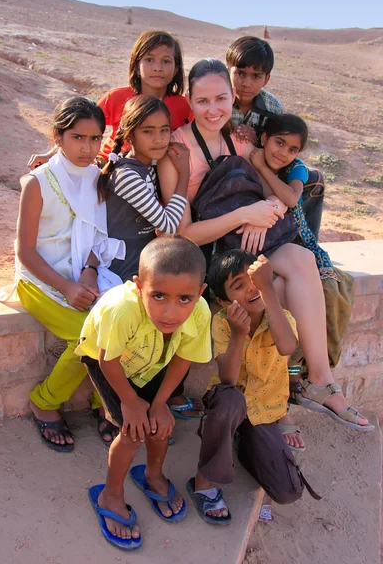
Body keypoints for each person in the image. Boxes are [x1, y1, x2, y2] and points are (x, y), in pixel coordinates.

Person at [158, 58, 372, 444]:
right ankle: (283, 400)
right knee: (273, 292)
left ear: (232, 97)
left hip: (255, 239)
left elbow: (274, 190)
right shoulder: (176, 150)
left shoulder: (241, 140)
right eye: (203, 100)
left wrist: (264, 214)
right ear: (189, 99)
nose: (213, 109)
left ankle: (319, 380)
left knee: (301, 262)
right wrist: (244, 213)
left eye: (221, 98)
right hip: (213, 253)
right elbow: (184, 233)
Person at [0, 97, 126, 451]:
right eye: (77, 138)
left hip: (84, 272)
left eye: (95, 138)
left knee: (122, 321)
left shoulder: (98, 177)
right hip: (40, 279)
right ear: (57, 136)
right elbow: (25, 251)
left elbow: (96, 236)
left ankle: (104, 404)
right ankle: (45, 400)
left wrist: (88, 272)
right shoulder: (38, 183)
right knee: (87, 337)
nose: (87, 148)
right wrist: (67, 286)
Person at [76, 235, 212, 550]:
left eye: (184, 299)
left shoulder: (201, 312)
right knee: (133, 430)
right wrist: (132, 402)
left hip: (153, 359)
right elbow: (107, 360)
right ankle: (110, 496)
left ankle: (152, 474)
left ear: (200, 294)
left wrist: (160, 403)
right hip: (109, 360)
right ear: (139, 287)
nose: (170, 313)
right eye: (159, 295)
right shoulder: (122, 309)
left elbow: (183, 357)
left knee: (161, 424)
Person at [249, 114, 374, 430]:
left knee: (288, 284)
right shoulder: (242, 154)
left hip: (283, 242)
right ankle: (289, 396)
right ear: (264, 138)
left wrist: (261, 166)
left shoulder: (293, 168)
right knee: (280, 288)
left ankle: (311, 381)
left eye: (292, 148)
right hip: (246, 241)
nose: (283, 152)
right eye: (279, 142)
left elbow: (290, 198)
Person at [187, 250, 317, 524]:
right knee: (230, 400)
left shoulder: (280, 318)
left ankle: (243, 444)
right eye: (239, 285)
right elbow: (228, 381)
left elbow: (287, 347)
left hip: (263, 413)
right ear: (223, 302)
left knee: (288, 492)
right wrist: (238, 334)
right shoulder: (223, 322)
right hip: (229, 403)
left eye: (253, 279)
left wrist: (267, 286)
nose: (251, 288)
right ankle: (203, 482)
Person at [27, 30, 191, 168]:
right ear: (136, 64)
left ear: (176, 69)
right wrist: (50, 155)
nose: (157, 67)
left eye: (166, 61)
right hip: (110, 168)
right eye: (149, 59)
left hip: (161, 174)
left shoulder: (183, 105)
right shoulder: (117, 97)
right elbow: (78, 126)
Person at [226, 36, 324, 237]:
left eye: (256, 76)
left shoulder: (272, 106)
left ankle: (305, 239)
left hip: (264, 165)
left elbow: (280, 140)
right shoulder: (218, 98)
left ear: (266, 79)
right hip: (227, 167)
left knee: (314, 179)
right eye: (240, 73)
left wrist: (257, 138)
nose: (246, 83)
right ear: (229, 70)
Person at [97, 95, 189, 283]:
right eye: (148, 131)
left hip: (145, 267)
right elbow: (168, 225)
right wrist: (184, 174)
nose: (159, 139)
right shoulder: (126, 175)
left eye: (164, 130)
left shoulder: (149, 166)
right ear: (130, 135)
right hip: (121, 274)